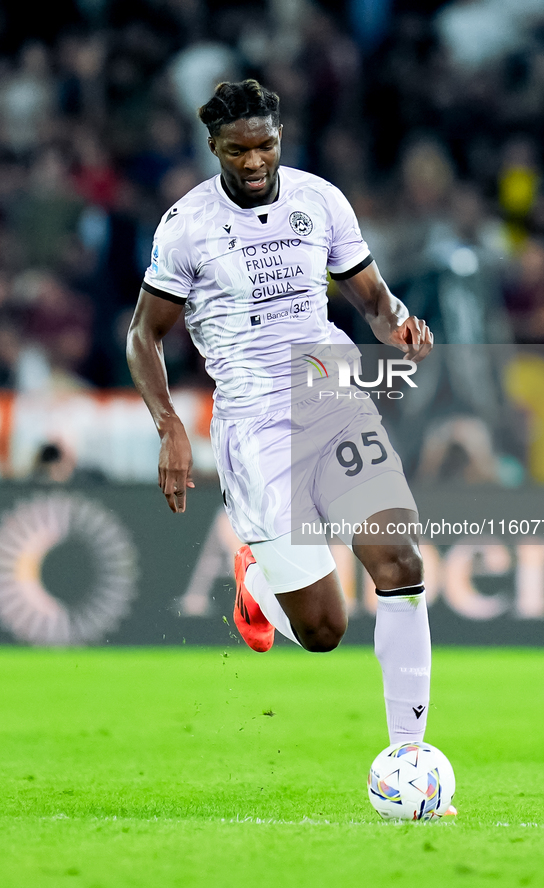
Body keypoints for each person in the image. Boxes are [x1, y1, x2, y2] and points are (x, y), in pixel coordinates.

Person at [127, 80, 441, 761]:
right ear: (213, 147)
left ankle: (408, 757)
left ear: (279, 139)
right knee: (324, 629)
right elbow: (142, 336)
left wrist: (398, 328)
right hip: (254, 422)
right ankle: (254, 585)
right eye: (237, 150)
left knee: (399, 560)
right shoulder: (186, 228)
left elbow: (372, 298)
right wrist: (170, 427)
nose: (253, 161)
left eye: (264, 145)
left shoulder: (319, 200)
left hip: (329, 393)